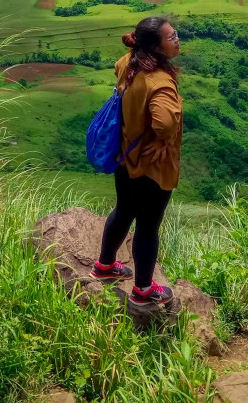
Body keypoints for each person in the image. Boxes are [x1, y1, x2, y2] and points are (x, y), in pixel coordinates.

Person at [90, 16, 182, 305]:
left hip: (124, 155)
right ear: (155, 47)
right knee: (147, 227)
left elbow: (119, 65)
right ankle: (143, 291)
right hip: (151, 168)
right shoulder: (160, 82)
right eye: (171, 37)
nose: (177, 38)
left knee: (124, 209)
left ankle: (105, 266)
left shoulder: (129, 63)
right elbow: (166, 123)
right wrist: (162, 140)